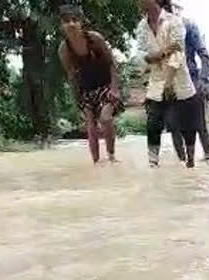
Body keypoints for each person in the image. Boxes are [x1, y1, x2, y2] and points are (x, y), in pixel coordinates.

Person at [58, 4, 123, 165]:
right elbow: (71, 76)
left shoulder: (95, 39)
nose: (71, 24)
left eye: (75, 20)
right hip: (85, 90)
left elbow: (112, 64)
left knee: (106, 119)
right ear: (61, 25)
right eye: (66, 21)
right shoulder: (64, 50)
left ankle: (112, 156)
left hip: (106, 86)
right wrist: (77, 102)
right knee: (90, 126)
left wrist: (114, 89)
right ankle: (96, 163)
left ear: (81, 22)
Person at [136, 0, 198, 168]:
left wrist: (168, 82)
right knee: (153, 124)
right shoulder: (142, 27)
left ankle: (190, 162)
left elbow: (177, 52)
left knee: (187, 126)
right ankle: (153, 165)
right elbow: (142, 56)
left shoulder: (174, 21)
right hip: (156, 82)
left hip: (178, 80)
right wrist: (162, 52)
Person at [169, 16, 209, 163]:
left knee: (199, 123)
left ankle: (207, 156)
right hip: (170, 79)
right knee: (173, 124)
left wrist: (203, 80)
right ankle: (183, 163)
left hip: (192, 79)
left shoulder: (188, 26)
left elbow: (204, 55)